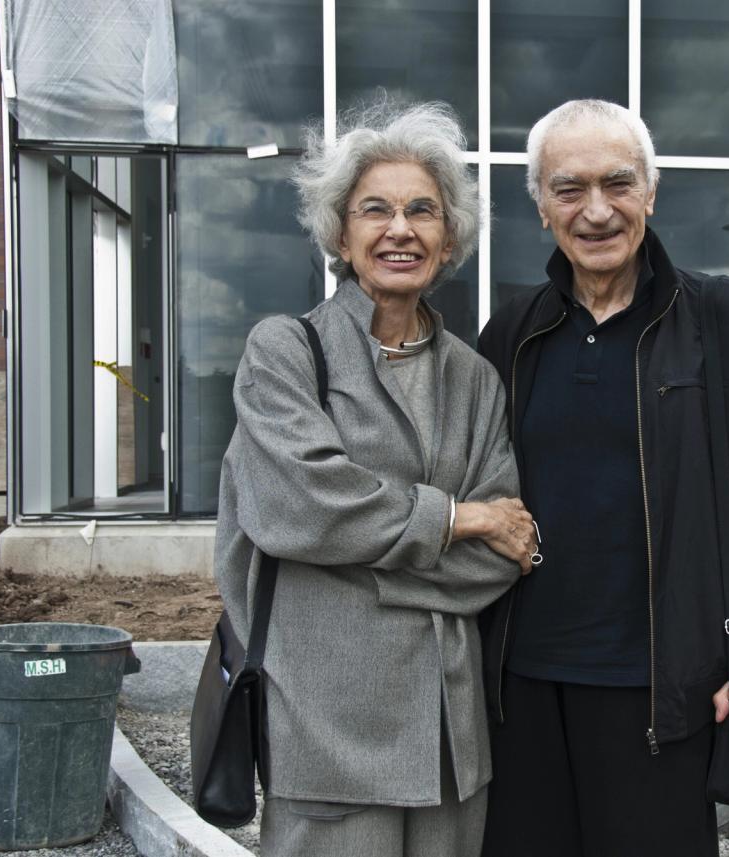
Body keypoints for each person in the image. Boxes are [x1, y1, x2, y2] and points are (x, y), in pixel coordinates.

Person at [476, 99, 729, 857]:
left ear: (652, 190)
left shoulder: (722, 319)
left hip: (665, 699)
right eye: (569, 188)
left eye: (618, 183)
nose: (596, 210)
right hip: (521, 695)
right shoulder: (513, 334)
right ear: (540, 205)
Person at [213, 100, 537, 857]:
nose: (401, 229)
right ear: (340, 232)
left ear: (449, 236)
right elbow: (303, 505)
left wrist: (349, 569)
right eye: (376, 210)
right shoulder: (285, 353)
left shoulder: (474, 380)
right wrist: (460, 520)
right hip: (327, 724)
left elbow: (502, 556)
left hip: (448, 736)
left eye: (423, 210)